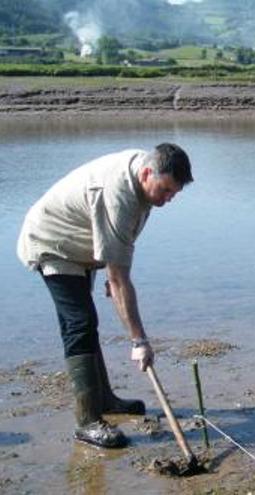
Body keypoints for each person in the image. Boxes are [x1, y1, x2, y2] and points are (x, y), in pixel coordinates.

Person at [17, 143, 193, 448]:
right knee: (80, 323)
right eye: (165, 190)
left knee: (87, 321)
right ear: (148, 173)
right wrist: (139, 341)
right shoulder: (118, 193)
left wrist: (111, 268)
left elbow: (120, 249)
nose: (168, 199)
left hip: (81, 245)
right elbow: (120, 276)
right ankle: (87, 422)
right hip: (53, 243)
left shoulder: (144, 176)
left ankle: (104, 400)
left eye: (174, 194)